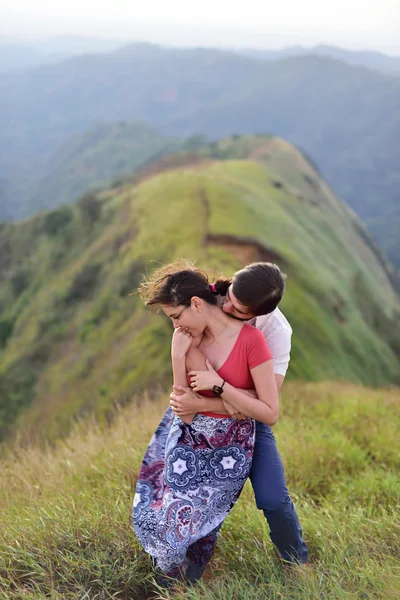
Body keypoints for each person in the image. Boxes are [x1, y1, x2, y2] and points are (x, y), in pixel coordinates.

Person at [133, 262, 279, 585]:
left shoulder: (252, 341)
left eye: (176, 317)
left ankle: (186, 583)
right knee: (165, 521)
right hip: (187, 441)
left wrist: (222, 388)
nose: (176, 327)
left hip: (230, 449)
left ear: (196, 304)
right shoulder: (189, 342)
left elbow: (269, 411)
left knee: (200, 530)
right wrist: (177, 357)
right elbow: (183, 410)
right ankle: (173, 585)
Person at [169, 261, 308, 565]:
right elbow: (189, 368)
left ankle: (296, 562)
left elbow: (264, 403)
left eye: (240, 309)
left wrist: (216, 391)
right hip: (203, 422)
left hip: (248, 423)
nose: (228, 307)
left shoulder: (274, 332)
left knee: (273, 498)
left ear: (260, 313)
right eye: (229, 296)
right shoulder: (210, 298)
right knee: (194, 500)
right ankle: (186, 574)